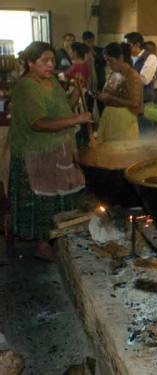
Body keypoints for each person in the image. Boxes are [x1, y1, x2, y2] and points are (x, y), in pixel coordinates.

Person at [8, 42, 92, 261]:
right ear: (30, 62)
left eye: (53, 60)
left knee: (59, 199)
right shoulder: (26, 86)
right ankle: (42, 245)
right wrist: (77, 119)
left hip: (56, 150)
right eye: (45, 60)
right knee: (42, 202)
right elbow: (39, 123)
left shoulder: (51, 81)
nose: (51, 65)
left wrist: (78, 90)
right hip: (35, 154)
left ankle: (59, 238)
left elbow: (64, 107)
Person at [96, 42, 143, 143]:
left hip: (124, 122)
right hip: (110, 119)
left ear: (120, 58)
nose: (108, 65)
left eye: (111, 61)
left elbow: (135, 103)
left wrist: (110, 97)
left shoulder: (132, 75)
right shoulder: (114, 73)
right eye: (107, 61)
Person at [124, 32, 157, 134]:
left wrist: (127, 77)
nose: (126, 49)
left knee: (146, 132)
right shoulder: (127, 59)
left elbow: (144, 79)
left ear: (137, 45)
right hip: (129, 101)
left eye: (128, 45)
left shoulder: (150, 58)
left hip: (145, 100)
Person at [82, 31, 107, 115]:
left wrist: (94, 53)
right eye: (88, 41)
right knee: (89, 105)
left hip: (100, 81)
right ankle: (90, 126)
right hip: (89, 83)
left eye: (92, 41)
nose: (91, 43)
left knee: (101, 105)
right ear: (84, 41)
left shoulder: (100, 50)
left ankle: (104, 123)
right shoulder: (82, 52)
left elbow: (103, 62)